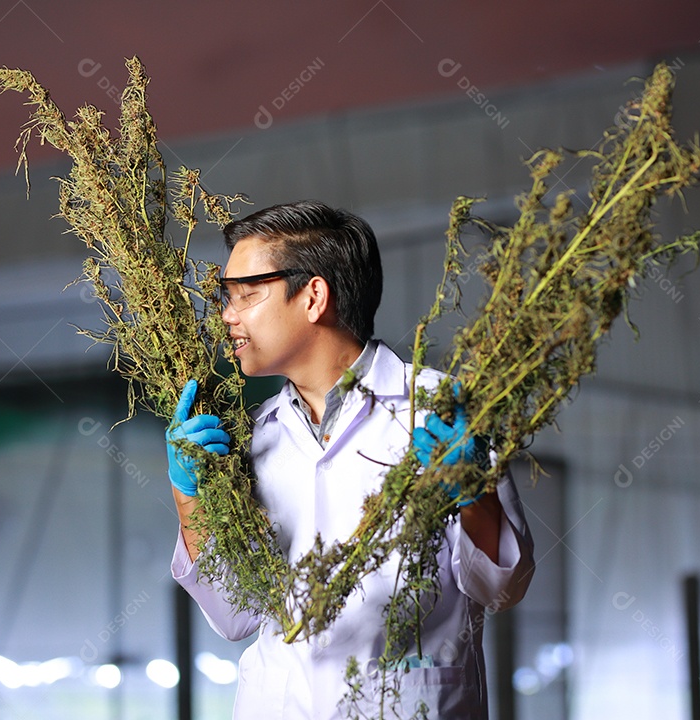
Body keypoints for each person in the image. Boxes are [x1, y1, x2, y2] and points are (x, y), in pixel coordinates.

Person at [166, 200, 534, 718]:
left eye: (246, 296)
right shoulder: (250, 440)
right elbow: (233, 615)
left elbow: (502, 589)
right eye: (227, 298)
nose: (228, 315)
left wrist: (476, 494)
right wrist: (190, 497)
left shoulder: (438, 410)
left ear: (314, 296)